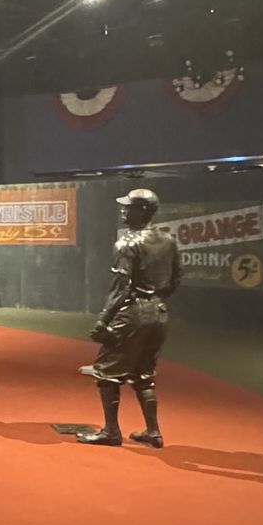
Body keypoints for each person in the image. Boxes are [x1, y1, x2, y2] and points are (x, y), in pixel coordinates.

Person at [76, 188, 181, 447]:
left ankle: (111, 431)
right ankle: (153, 431)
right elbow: (176, 278)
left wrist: (103, 320)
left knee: (106, 373)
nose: (123, 209)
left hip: (133, 314)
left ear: (142, 210)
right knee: (144, 374)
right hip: (158, 312)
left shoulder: (127, 242)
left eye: (128, 206)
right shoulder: (169, 240)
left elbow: (120, 288)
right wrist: (157, 299)